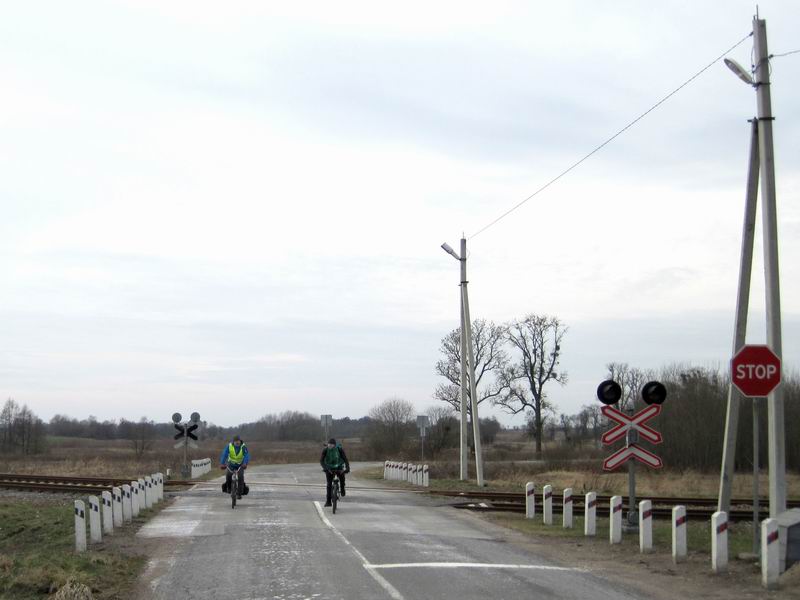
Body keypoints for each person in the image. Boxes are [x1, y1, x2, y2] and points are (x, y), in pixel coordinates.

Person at [320, 437, 350, 507]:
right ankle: (328, 501)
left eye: (331, 444)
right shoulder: (325, 450)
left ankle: (342, 488)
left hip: (339, 466)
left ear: (334, 445)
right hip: (329, 467)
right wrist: (325, 468)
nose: (329, 446)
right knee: (329, 484)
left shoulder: (339, 449)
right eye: (329, 444)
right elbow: (321, 461)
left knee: (342, 477)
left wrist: (347, 468)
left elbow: (345, 459)